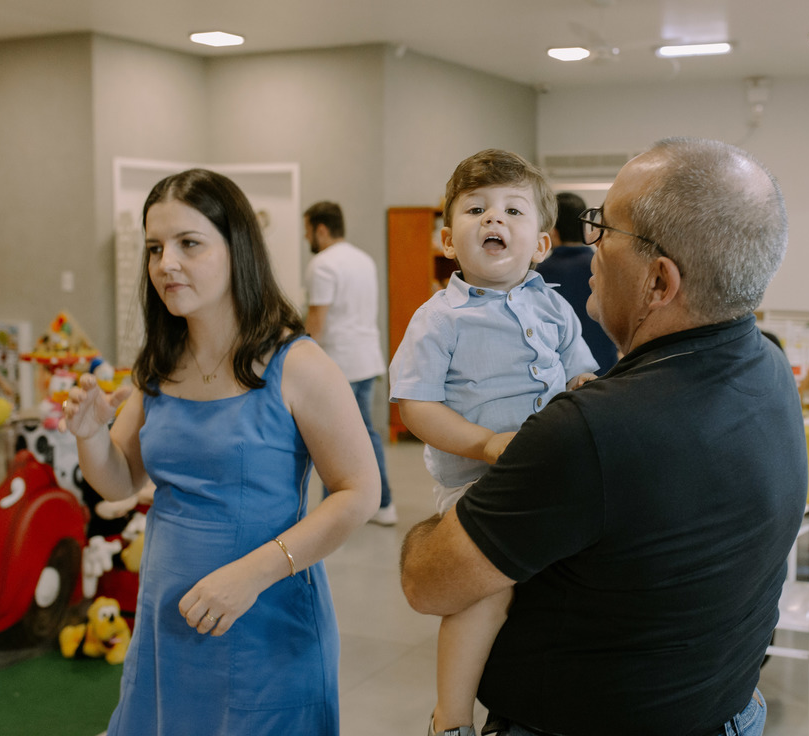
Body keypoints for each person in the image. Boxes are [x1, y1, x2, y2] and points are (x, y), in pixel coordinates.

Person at [400, 137, 806, 736]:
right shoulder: (768, 368)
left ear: (659, 282)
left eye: (604, 229)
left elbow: (428, 583)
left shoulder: (593, 430)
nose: (589, 245)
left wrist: (429, 534)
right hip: (727, 708)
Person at [60, 168, 379, 735]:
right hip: (168, 622)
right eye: (155, 248)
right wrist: (89, 434)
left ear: (238, 250)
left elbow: (358, 493)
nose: (166, 264)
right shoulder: (159, 363)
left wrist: (251, 576)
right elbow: (120, 480)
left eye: (189, 243)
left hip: (266, 625)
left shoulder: (298, 365)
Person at [389, 149, 598, 736]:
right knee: (484, 592)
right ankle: (450, 718)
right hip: (480, 483)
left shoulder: (554, 305)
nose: (494, 219)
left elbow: (580, 372)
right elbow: (415, 406)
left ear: (540, 244)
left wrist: (586, 390)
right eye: (476, 209)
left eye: (512, 210)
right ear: (448, 241)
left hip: (553, 474)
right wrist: (483, 444)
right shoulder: (440, 319)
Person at [303, 200, 395, 525]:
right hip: (367, 359)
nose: (306, 238)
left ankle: (340, 511)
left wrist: (299, 354)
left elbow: (317, 320)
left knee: (332, 438)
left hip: (341, 362)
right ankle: (380, 503)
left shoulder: (322, 264)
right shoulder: (363, 260)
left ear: (321, 229)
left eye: (307, 231)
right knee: (364, 433)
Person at [535, 191, 619, 375]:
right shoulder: (604, 267)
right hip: (608, 372)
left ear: (552, 231)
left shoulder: (539, 276)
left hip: (563, 377)